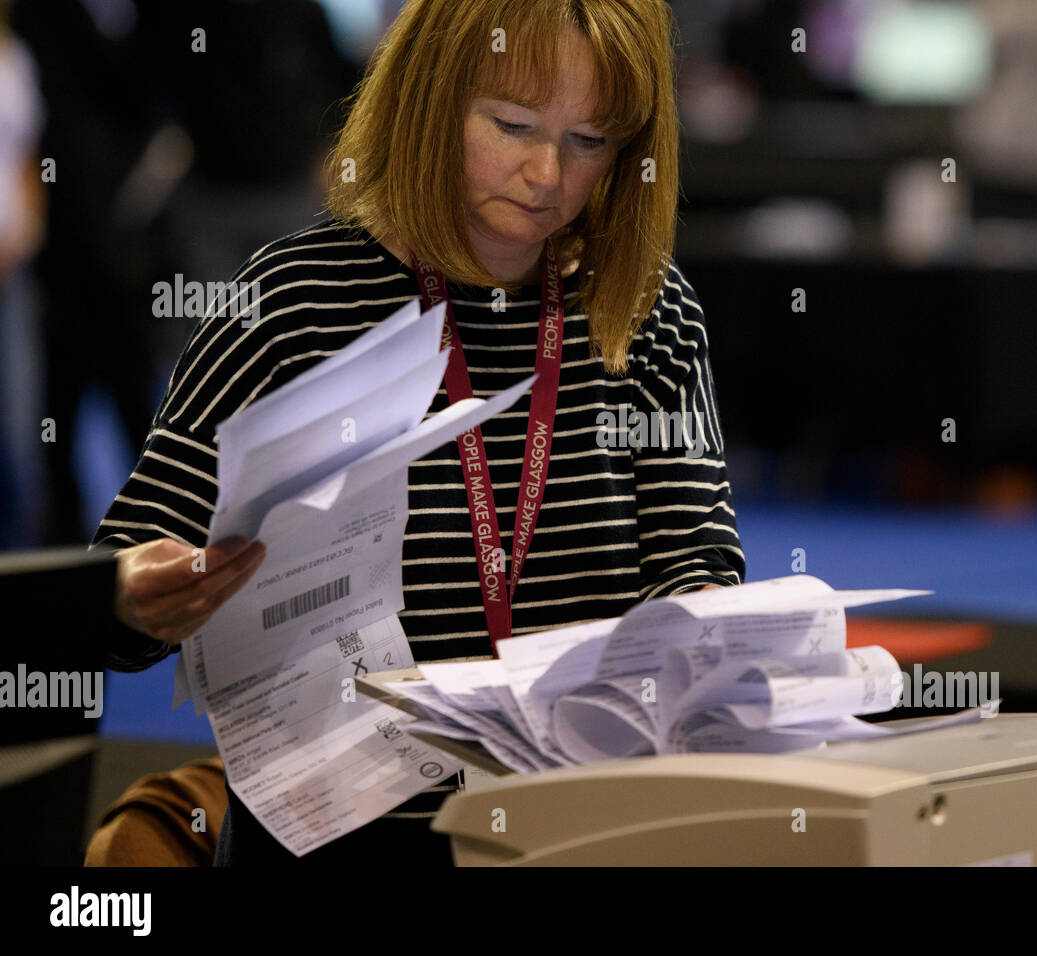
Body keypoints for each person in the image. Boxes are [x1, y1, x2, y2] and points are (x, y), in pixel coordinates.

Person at [90, 0, 745, 865]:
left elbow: (696, 560)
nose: (547, 173)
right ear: (432, 99)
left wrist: (707, 630)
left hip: (583, 825)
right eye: (512, 126)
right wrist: (137, 594)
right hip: (353, 839)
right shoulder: (293, 303)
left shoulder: (646, 310)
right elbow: (118, 579)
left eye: (589, 141)